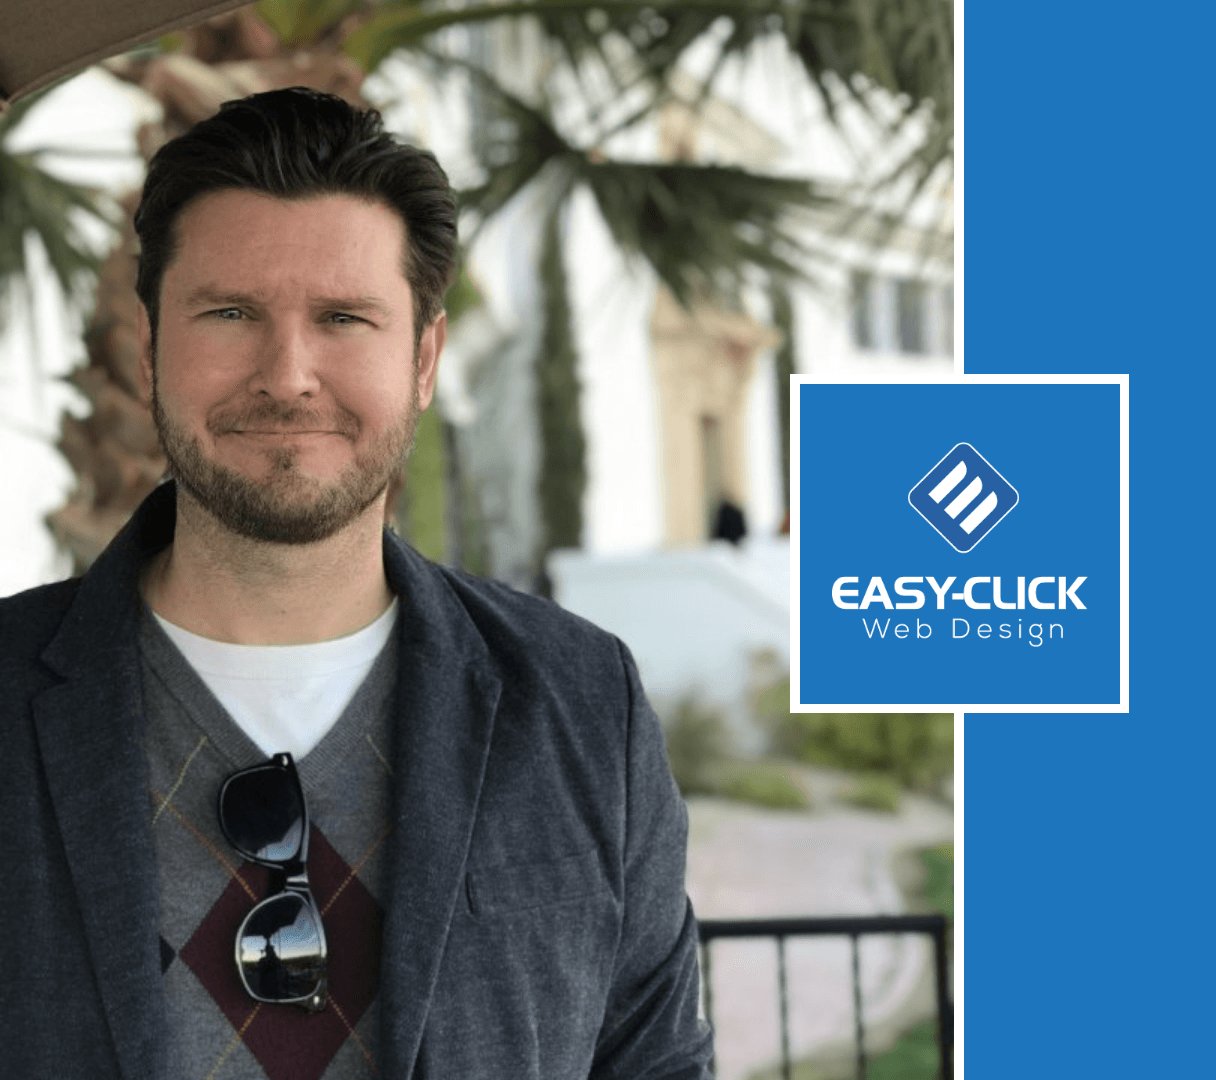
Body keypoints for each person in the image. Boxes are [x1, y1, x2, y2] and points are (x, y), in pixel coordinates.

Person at [0, 88, 713, 1080]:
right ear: (150, 342)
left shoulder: (583, 703)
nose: (287, 374)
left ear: (424, 357)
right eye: (230, 312)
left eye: (343, 317)